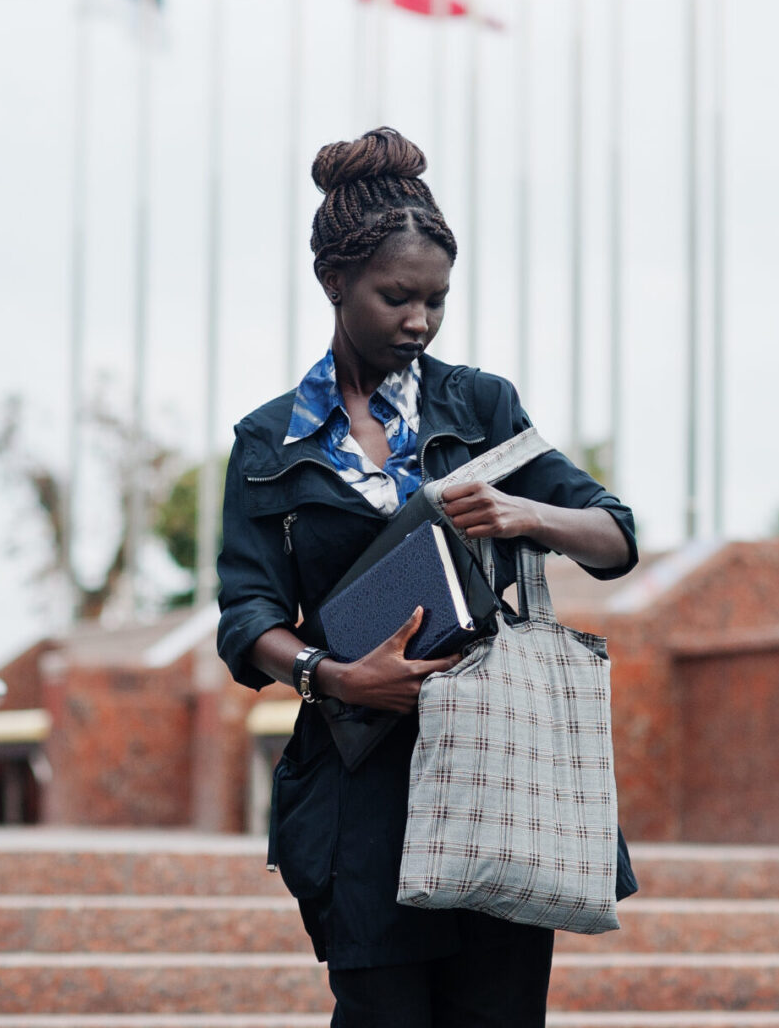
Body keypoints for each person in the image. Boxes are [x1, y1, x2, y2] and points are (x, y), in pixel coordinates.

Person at [217, 127, 637, 1028]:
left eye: (436, 301)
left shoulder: (478, 407)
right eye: (396, 297)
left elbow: (613, 534)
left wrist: (527, 514)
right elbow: (245, 613)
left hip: (498, 774)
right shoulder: (267, 444)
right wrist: (331, 676)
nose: (418, 320)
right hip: (360, 788)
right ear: (334, 283)